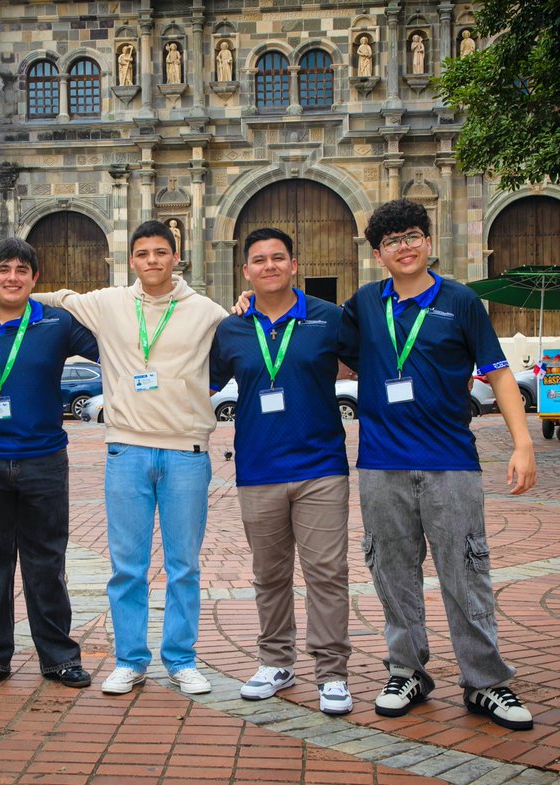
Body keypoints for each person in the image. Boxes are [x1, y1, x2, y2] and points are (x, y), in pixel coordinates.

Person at [339, 199, 537, 731]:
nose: (404, 247)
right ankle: (407, 671)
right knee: (392, 573)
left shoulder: (461, 302)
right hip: (382, 465)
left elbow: (498, 375)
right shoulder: (362, 304)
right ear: (378, 254)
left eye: (412, 236)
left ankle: (485, 683)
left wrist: (523, 445)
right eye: (392, 241)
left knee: (465, 572)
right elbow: (314, 336)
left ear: (428, 242)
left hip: (452, 462)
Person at [34, 220, 227, 696]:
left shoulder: (206, 311)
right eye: (143, 254)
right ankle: (130, 660)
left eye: (161, 252)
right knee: (128, 567)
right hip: (126, 450)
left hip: (187, 452)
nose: (153, 261)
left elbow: (239, 342)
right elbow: (54, 298)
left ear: (175, 257)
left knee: (184, 565)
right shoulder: (108, 303)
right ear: (132, 260)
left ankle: (181, 659)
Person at [0, 238, 99, 691]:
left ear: (35, 278)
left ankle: (58, 657)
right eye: (3, 269)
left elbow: (119, 348)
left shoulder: (57, 323)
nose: (12, 277)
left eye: (21, 270)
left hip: (43, 459)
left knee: (46, 561)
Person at [210, 228, 353, 716]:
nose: (269, 266)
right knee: (268, 575)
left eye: (278, 258)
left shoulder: (328, 319)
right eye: (259, 260)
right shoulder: (231, 329)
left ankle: (332, 672)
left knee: (327, 573)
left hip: (320, 468)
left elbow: (378, 362)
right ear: (245, 271)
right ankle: (276, 663)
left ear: (294, 265)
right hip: (258, 469)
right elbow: (196, 380)